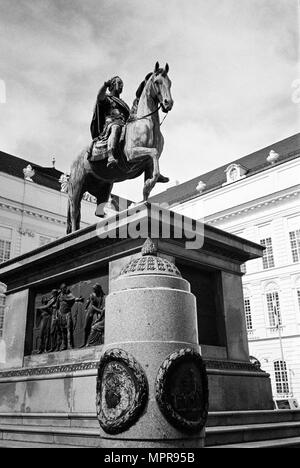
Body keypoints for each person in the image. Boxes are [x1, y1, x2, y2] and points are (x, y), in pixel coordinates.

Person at [89, 76, 130, 168]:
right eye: (119, 83)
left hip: (124, 124)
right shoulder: (107, 98)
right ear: (112, 85)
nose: (121, 86)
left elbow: (129, 116)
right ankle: (110, 156)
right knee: (116, 127)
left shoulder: (123, 103)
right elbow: (99, 97)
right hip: (111, 123)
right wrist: (104, 86)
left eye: (122, 84)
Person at [56, 284, 84, 351]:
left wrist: (79, 299)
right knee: (63, 331)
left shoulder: (69, 295)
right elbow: (57, 306)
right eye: (64, 288)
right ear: (61, 289)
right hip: (60, 314)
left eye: (65, 288)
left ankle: (70, 345)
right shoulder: (59, 296)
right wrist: (56, 315)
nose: (65, 289)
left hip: (67, 314)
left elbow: (74, 299)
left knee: (69, 329)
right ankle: (64, 345)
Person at [36, 289, 59, 354]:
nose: (46, 299)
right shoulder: (40, 308)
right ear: (42, 300)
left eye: (47, 298)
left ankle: (46, 348)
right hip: (43, 321)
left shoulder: (50, 308)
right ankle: (40, 349)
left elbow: (51, 309)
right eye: (45, 298)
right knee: (41, 335)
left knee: (47, 335)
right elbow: (38, 317)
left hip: (48, 320)